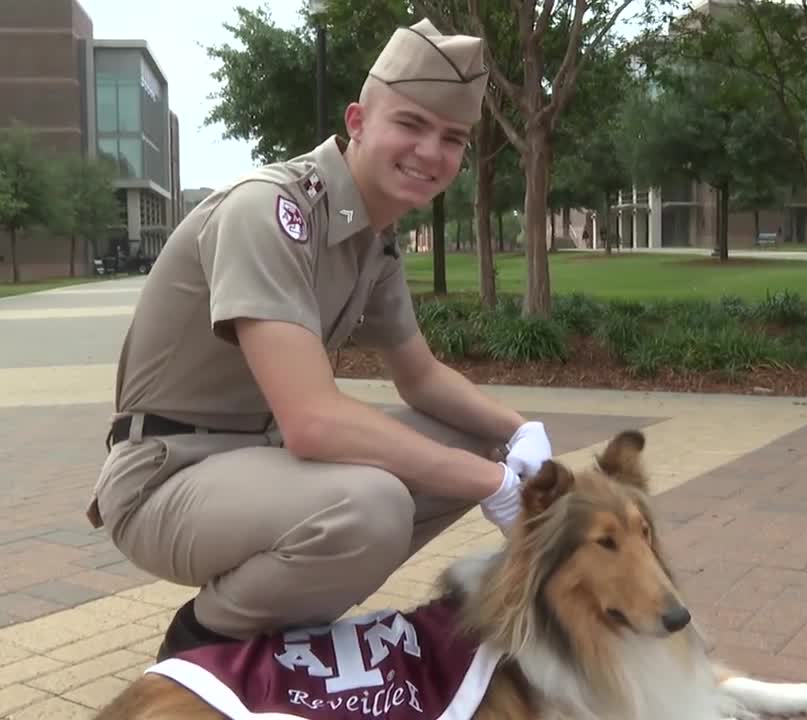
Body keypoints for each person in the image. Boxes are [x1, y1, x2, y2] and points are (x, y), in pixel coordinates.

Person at [84, 18, 553, 662]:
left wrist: (520, 433)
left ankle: (289, 611)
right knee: (370, 508)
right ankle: (199, 650)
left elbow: (419, 376)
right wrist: (492, 483)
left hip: (260, 467)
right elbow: (312, 422)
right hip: (165, 477)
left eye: (452, 138)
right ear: (357, 121)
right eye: (411, 124)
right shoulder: (270, 211)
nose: (431, 151)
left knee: (473, 442)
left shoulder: (371, 238)